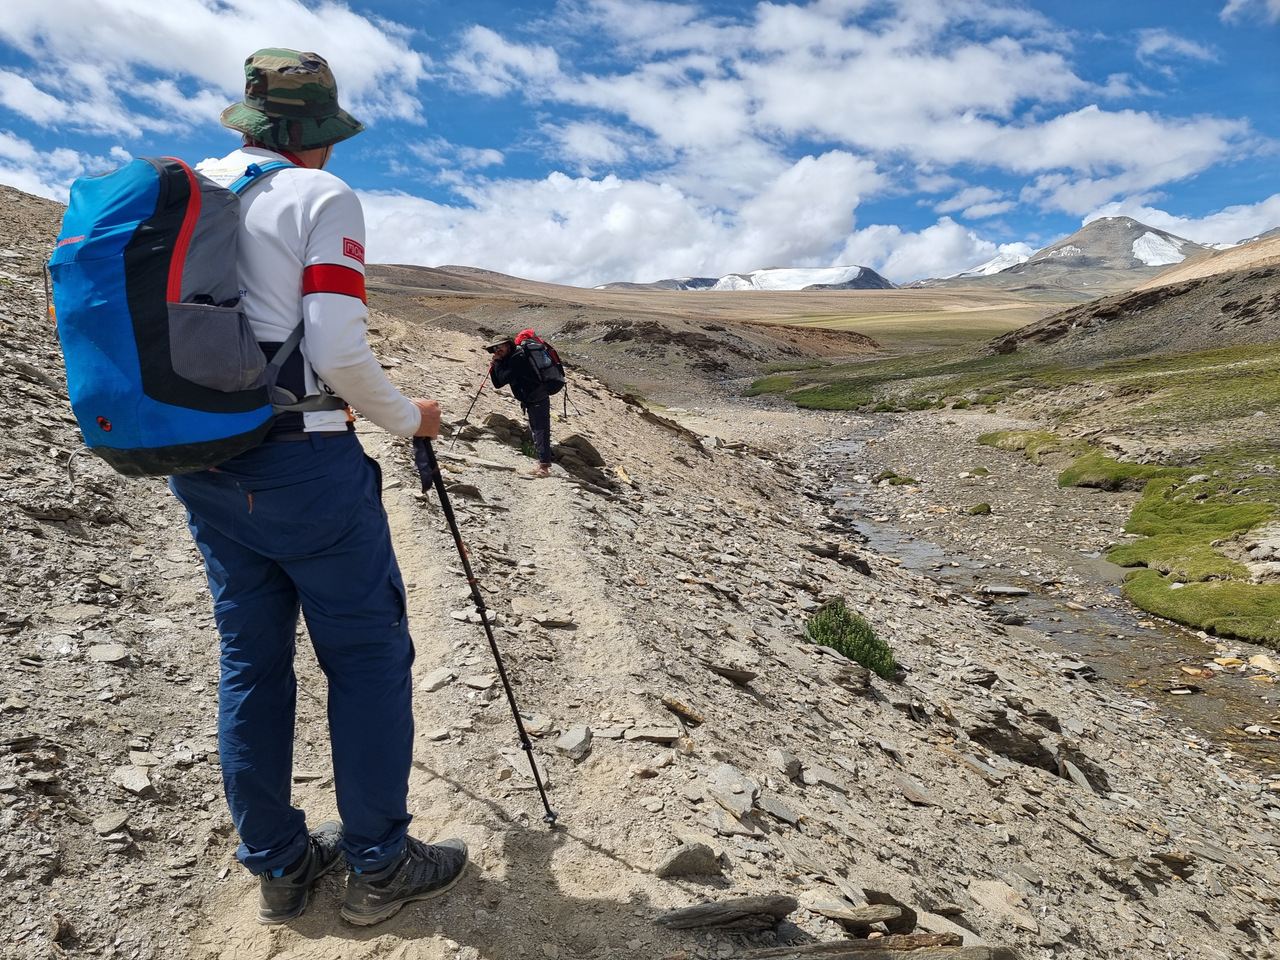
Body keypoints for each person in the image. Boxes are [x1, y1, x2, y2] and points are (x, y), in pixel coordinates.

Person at [168, 47, 467, 927]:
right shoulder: (320, 197)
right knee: (368, 657)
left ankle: (279, 865)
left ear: (252, 121)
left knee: (251, 663)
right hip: (305, 463)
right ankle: (378, 861)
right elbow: (335, 350)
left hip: (202, 461)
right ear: (320, 134)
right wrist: (411, 418)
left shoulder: (188, 191)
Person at [486, 336, 554, 477]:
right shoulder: (509, 359)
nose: (497, 350)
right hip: (531, 399)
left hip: (538, 397)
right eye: (494, 348)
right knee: (536, 430)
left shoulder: (518, 358)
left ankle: (544, 468)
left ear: (508, 346)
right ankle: (542, 464)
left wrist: (497, 363)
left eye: (500, 347)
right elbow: (497, 383)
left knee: (540, 430)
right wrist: (494, 366)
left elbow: (505, 378)